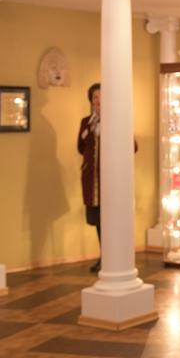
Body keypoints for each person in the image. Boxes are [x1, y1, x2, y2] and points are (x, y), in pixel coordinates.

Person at [77, 83, 103, 273]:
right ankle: (104, 255)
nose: (98, 100)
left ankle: (112, 256)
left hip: (108, 181)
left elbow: (132, 146)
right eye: (95, 97)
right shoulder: (86, 122)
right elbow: (80, 147)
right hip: (91, 179)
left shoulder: (117, 119)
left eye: (102, 97)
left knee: (109, 220)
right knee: (97, 219)